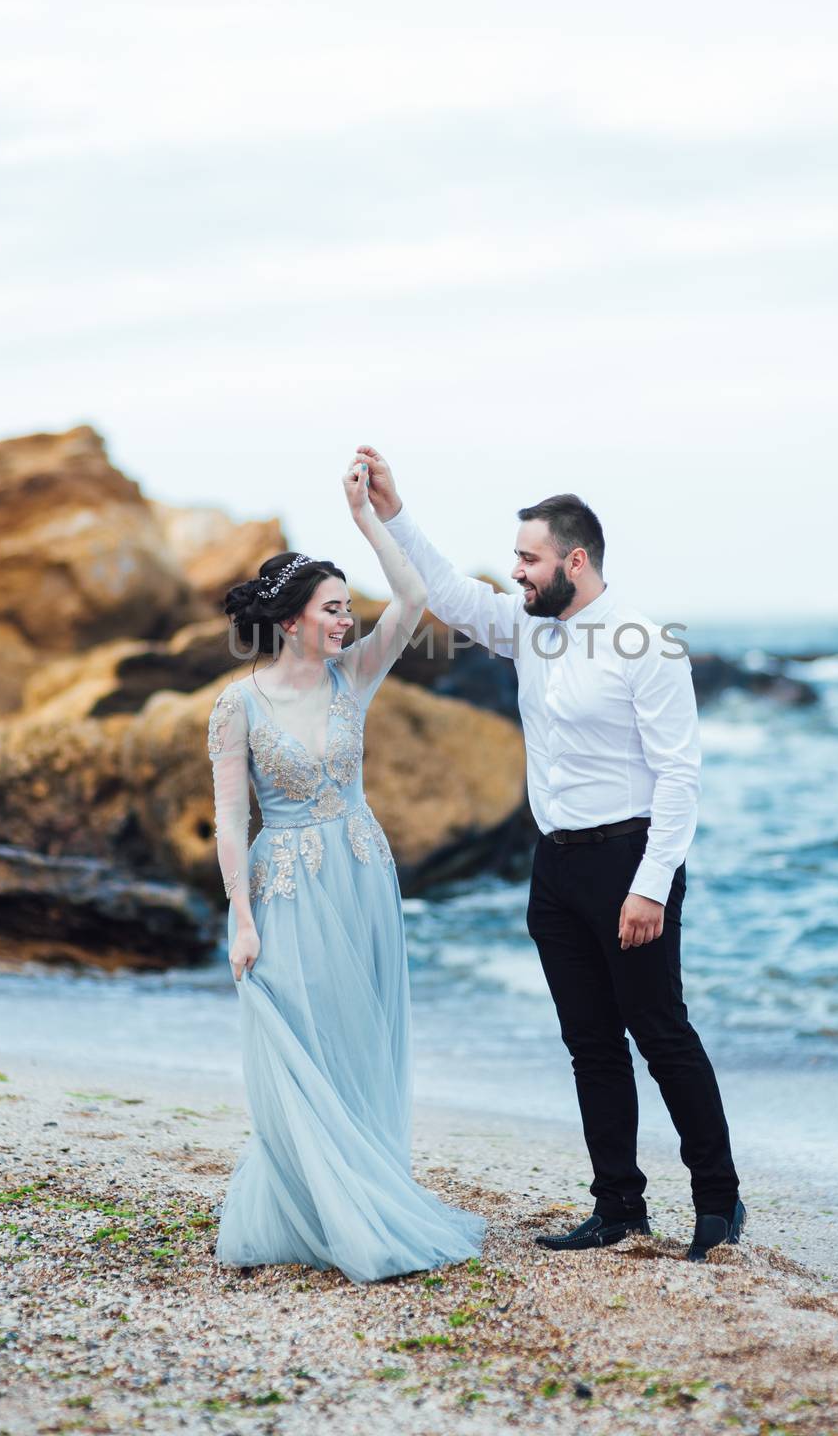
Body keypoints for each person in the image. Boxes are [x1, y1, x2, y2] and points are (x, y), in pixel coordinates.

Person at [355, 444, 745, 1264]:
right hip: (556, 869)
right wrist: (393, 511)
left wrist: (650, 887)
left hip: (631, 861)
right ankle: (619, 1210)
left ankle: (719, 1201)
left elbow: (680, 776)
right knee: (590, 1044)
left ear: (575, 559)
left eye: (529, 560)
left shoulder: (645, 643)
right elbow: (455, 596)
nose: (517, 574)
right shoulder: (528, 632)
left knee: (661, 1032)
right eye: (516, 560)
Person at [206, 454, 485, 1283]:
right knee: (303, 1039)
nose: (346, 619)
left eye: (345, 608)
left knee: (359, 1040)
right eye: (332, 608)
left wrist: (368, 520)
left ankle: (365, 1189)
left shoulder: (353, 677)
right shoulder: (237, 705)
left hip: (361, 874)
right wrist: (242, 916)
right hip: (285, 886)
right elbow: (229, 817)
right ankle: (320, 1205)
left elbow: (412, 602)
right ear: (291, 620)